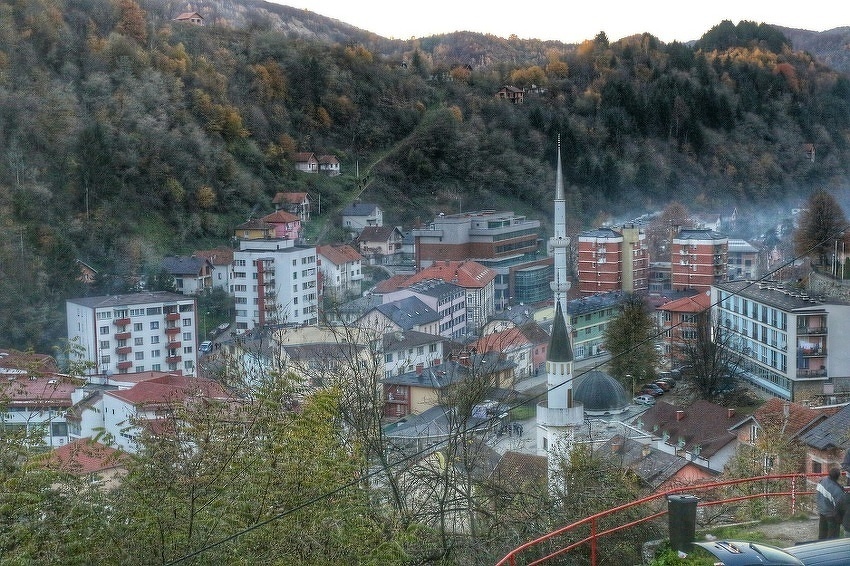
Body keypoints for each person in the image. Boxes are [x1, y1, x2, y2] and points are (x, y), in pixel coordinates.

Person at [816, 467, 845, 539]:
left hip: (822, 511)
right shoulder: (837, 490)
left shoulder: (822, 481)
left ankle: (820, 547)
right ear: (838, 477)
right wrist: (840, 519)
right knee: (833, 537)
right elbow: (839, 507)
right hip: (831, 515)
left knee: (822, 535)